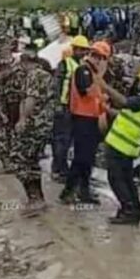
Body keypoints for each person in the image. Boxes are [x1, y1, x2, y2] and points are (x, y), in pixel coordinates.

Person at [97, 66, 140, 225]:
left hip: (119, 146)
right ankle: (134, 211)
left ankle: (127, 211)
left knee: (116, 179)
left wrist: (105, 86)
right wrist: (109, 110)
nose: (138, 83)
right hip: (129, 148)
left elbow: (123, 102)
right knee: (127, 180)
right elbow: (126, 115)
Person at [60, 40, 110, 205]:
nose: (99, 61)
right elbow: (87, 92)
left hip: (91, 119)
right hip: (82, 119)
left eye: (102, 58)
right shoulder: (84, 71)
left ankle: (84, 191)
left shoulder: (92, 72)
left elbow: (97, 97)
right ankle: (68, 192)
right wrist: (100, 76)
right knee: (81, 158)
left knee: (88, 159)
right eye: (98, 57)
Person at [10, 46, 55, 207]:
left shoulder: (33, 76)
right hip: (44, 124)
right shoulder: (45, 75)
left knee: (17, 158)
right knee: (32, 160)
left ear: (24, 62)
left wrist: (22, 120)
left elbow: (31, 99)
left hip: (35, 124)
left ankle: (33, 197)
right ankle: (38, 198)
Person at [52, 36, 90, 181]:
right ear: (74, 49)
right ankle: (58, 170)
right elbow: (56, 85)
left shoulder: (81, 65)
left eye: (84, 50)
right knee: (61, 139)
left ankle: (60, 167)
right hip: (63, 106)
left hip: (74, 107)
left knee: (67, 140)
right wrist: (57, 105)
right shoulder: (65, 64)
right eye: (80, 50)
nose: (82, 52)